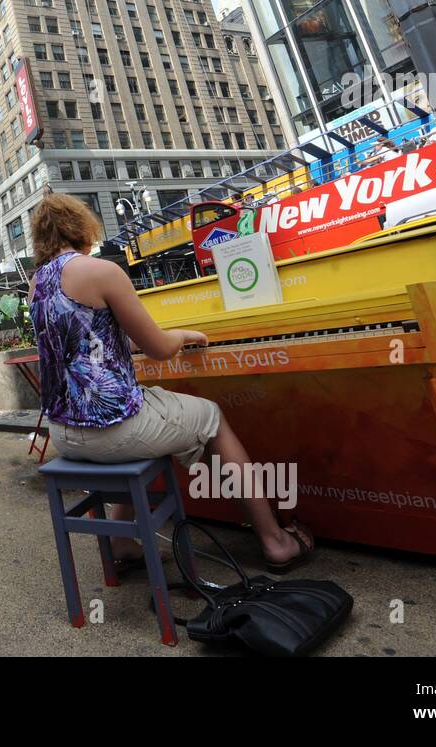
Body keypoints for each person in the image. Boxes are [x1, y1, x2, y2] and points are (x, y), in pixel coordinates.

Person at [28, 193, 314, 573]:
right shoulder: (100, 271)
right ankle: (276, 541)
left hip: (65, 432)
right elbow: (160, 349)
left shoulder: (37, 285)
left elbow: (97, 340)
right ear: (81, 226)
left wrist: (155, 340)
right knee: (211, 417)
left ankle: (121, 541)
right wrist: (183, 334)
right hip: (111, 429)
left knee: (154, 412)